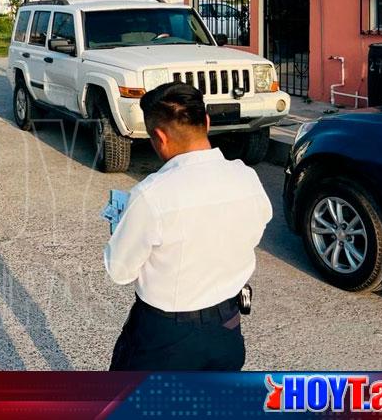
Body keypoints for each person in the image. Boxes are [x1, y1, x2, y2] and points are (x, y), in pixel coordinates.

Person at [104, 81, 273, 371]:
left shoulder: (150, 194)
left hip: (166, 335)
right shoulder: (246, 177)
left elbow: (120, 271)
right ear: (206, 122)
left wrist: (121, 226)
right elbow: (254, 230)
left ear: (159, 136)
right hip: (227, 326)